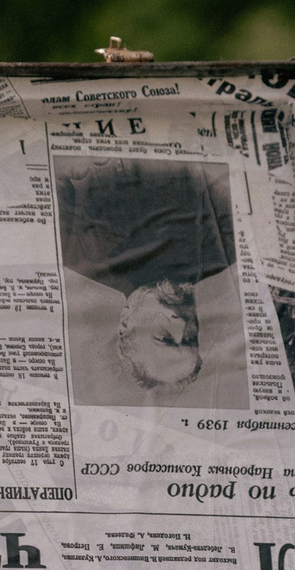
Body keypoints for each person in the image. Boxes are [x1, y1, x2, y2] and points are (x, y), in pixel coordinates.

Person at [56, 158, 237, 397]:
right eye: (191, 338)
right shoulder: (228, 245)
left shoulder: (73, 251)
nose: (182, 324)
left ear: (124, 323)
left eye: (165, 338)